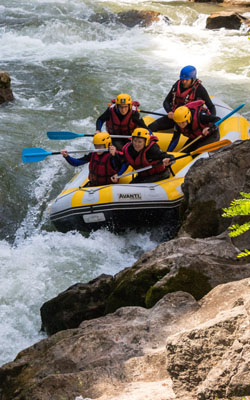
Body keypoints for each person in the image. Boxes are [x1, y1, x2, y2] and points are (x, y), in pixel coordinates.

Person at [148, 66, 217, 147]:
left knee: (184, 140)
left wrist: (211, 124)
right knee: (151, 127)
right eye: (182, 79)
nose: (183, 82)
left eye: (186, 80)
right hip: (175, 117)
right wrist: (169, 111)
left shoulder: (200, 89)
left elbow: (211, 107)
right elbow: (166, 102)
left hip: (189, 121)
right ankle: (149, 147)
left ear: (193, 79)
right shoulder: (177, 85)